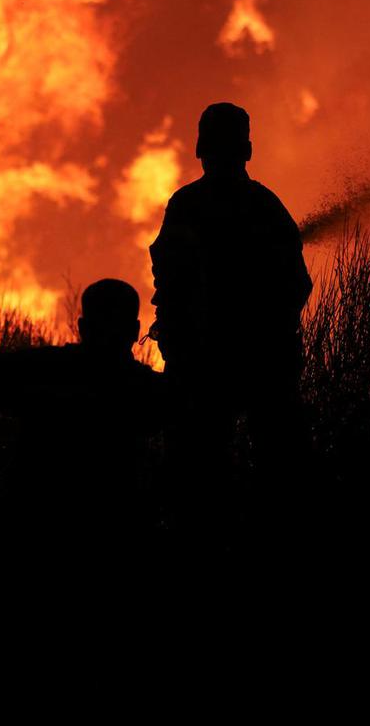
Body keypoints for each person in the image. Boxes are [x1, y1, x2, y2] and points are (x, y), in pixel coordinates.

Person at [148, 103, 312, 535]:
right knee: (259, 473)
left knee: (206, 476)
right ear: (248, 149)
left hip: (237, 364)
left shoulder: (190, 205)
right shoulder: (260, 206)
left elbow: (167, 278)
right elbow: (297, 285)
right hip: (233, 364)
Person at [0, 279, 164, 540]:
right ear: (134, 331)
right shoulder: (147, 390)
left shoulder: (42, 368)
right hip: (113, 529)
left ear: (82, 328)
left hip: (37, 524)